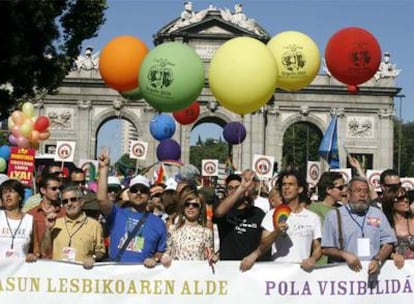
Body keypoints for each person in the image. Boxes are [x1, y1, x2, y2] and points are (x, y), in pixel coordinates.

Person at [241, 170, 322, 272]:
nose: (286, 187)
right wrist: (276, 232)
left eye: (291, 184)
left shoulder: (313, 217)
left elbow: (318, 248)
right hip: (278, 274)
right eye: (284, 184)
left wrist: (312, 259)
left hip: (302, 273)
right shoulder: (271, 214)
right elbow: (263, 244)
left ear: (300, 189)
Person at [97, 152, 166, 267]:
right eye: (134, 189)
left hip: (142, 278)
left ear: (149, 195)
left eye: (143, 190)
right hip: (115, 276)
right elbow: (101, 199)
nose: (138, 193)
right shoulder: (117, 213)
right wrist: (104, 169)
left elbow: (162, 251)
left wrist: (155, 258)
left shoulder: (159, 223)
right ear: (128, 194)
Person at [322, 176, 396, 275]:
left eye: (366, 191)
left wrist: (378, 260)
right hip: (344, 274)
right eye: (358, 190)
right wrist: (344, 254)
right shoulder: (334, 216)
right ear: (348, 193)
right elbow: (326, 248)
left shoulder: (377, 214)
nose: (362, 195)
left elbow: (388, 242)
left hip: (372, 273)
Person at [41, 185, 106, 269]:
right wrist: (48, 229)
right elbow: (44, 252)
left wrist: (93, 258)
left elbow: (100, 251)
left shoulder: (94, 225)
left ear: (82, 201)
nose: (69, 204)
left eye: (73, 200)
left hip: (82, 275)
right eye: (65, 201)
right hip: (58, 274)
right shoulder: (55, 223)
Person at [213, 170, 271, 262]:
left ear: (246, 191)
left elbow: (265, 243)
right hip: (227, 269)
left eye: (237, 187)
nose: (234, 191)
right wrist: (240, 189)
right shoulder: (224, 212)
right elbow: (219, 212)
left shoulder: (258, 213)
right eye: (230, 188)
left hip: (250, 269)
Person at [161, 187, 214, 266]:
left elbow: (210, 255)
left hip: (197, 275)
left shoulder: (206, 232)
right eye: (187, 204)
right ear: (183, 207)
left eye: (195, 205)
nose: (190, 207)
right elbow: (168, 251)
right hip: (177, 275)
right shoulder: (173, 229)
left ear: (200, 208)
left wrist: (213, 258)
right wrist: (164, 258)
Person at [308, 171, 345, 265]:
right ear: (328, 190)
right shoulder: (314, 209)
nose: (343, 191)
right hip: (319, 264)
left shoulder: (343, 209)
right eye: (340, 188)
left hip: (339, 264)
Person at [26, 174, 65, 259]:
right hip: (36, 262)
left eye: (59, 189)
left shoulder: (64, 214)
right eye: (54, 189)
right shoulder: (30, 214)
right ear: (43, 190)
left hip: (58, 261)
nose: (58, 191)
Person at [0, 179, 38, 262]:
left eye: (11, 191)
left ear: (20, 197)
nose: (7, 195)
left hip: (20, 271)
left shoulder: (29, 220)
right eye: (4, 192)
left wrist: (33, 256)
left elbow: (36, 248)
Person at [382, 185, 414, 269]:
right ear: (390, 202)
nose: (406, 200)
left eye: (406, 197)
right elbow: (375, 247)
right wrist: (392, 255)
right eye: (400, 198)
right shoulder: (385, 225)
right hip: (395, 272)